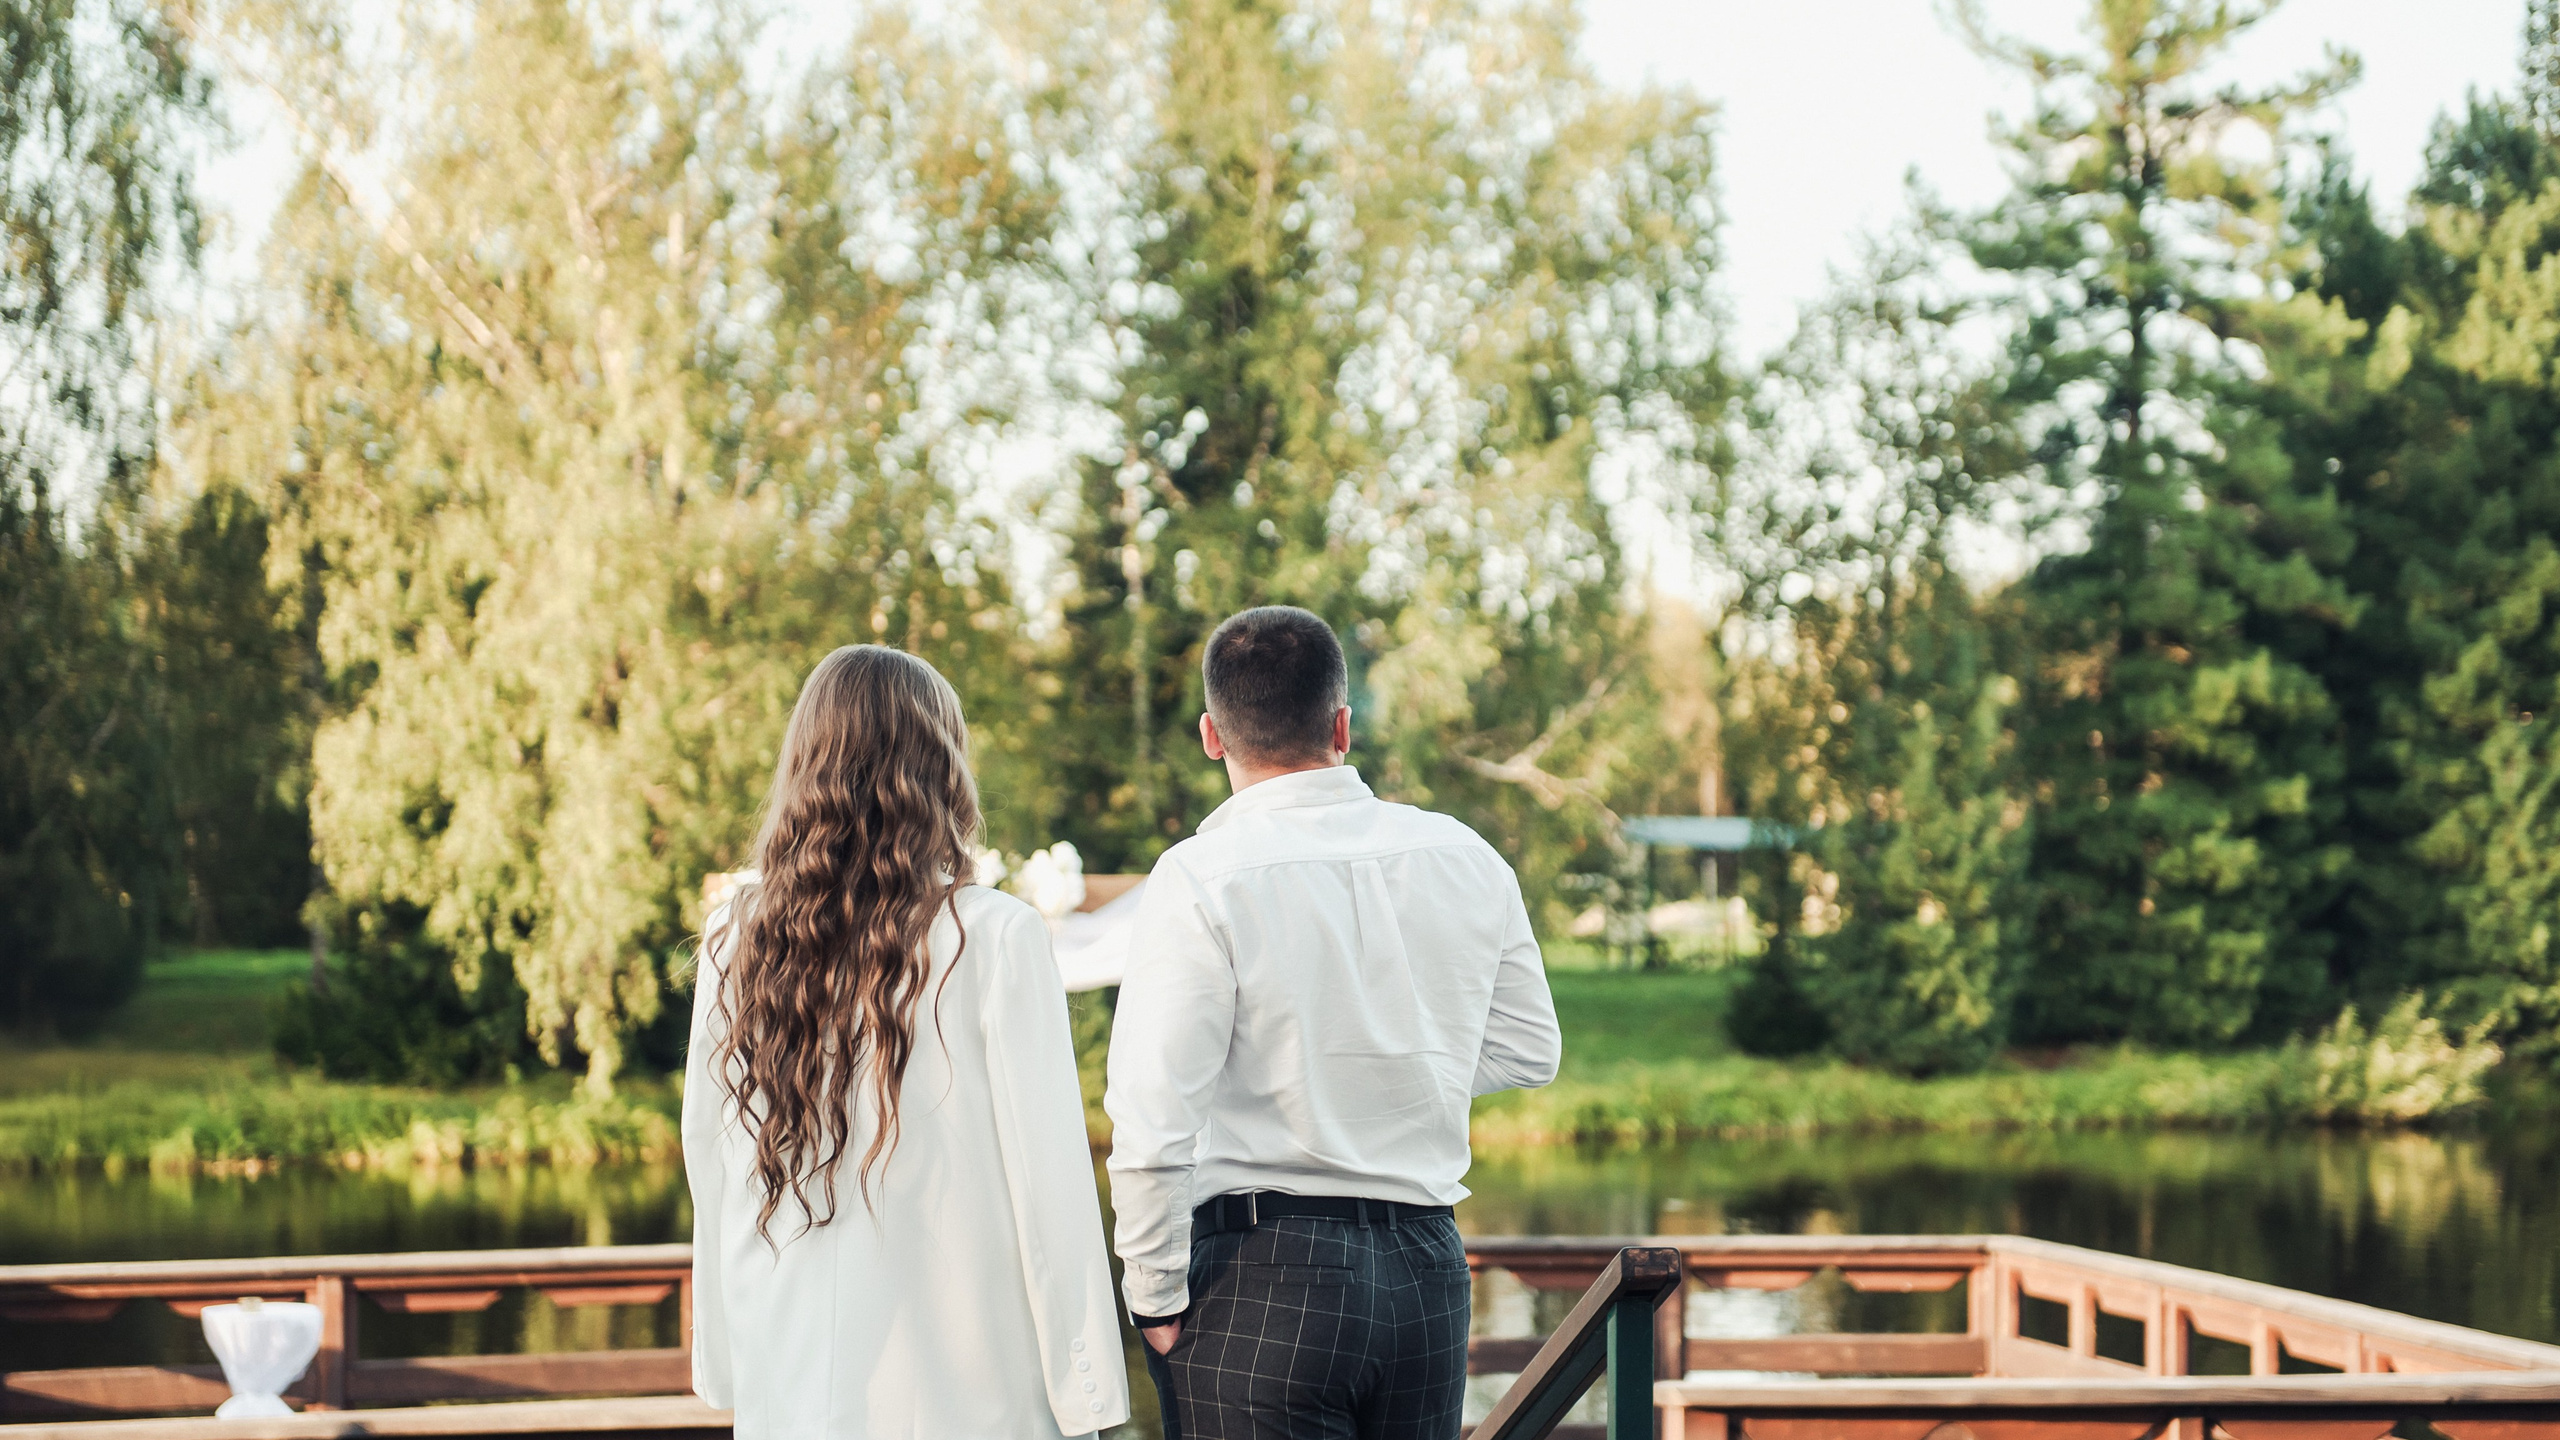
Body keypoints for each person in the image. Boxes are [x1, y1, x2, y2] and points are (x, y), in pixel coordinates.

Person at [1106, 606, 1563, 1439]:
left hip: (1262, 1277)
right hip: (1425, 1272)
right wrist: (1395, 1068)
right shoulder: (1464, 854)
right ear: (1342, 725)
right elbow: (1530, 1049)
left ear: (1213, 736)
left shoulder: (1202, 877)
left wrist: (1154, 1296)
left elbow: (1153, 1121)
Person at [684, 645, 1129, 1440]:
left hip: (790, 1382)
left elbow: (710, 1161)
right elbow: (1050, 1187)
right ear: (940, 767)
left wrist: (725, 1359)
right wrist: (1086, 1395)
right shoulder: (994, 937)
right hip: (970, 1395)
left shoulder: (734, 940)